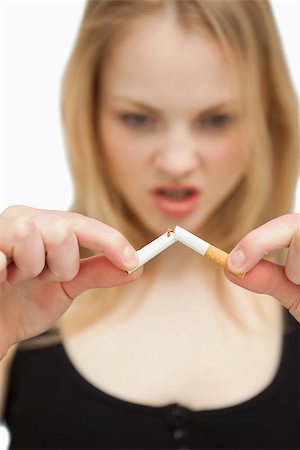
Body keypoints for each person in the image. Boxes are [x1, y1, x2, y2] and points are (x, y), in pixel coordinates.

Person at [0, 0, 299, 448]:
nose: (176, 162)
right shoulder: (19, 302)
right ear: (90, 115)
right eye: (138, 119)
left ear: (266, 117)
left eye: (216, 120)